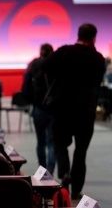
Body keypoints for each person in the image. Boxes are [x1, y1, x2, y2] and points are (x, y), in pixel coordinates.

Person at [41, 23, 105, 199]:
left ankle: (64, 172)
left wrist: (60, 78)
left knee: (60, 143)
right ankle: (76, 189)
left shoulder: (65, 52)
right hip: (86, 111)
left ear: (78, 35)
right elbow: (98, 83)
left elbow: (45, 65)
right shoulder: (98, 58)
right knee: (81, 151)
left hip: (63, 108)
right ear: (93, 38)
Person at [22, 43, 55, 175]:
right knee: (52, 141)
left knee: (40, 141)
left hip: (38, 108)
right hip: (54, 109)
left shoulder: (34, 66)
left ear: (40, 52)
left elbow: (26, 88)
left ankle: (43, 169)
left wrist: (31, 102)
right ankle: (51, 170)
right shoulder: (57, 66)